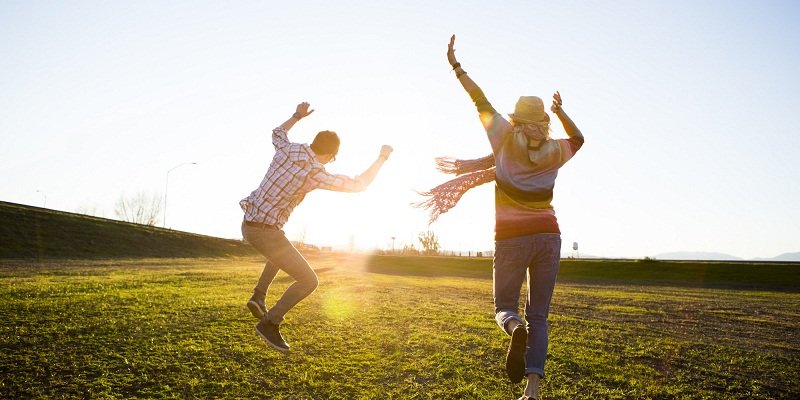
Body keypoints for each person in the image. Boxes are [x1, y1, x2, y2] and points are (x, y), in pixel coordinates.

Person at [418, 36, 584, 399]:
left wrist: (455, 66)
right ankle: (532, 390)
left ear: (515, 118)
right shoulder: (556, 149)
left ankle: (513, 330)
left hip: (510, 237)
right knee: (539, 315)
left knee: (505, 307)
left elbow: (478, 98)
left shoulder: (504, 137)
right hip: (548, 235)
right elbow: (579, 138)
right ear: (542, 120)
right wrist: (559, 112)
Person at [240, 102, 393, 352]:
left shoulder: (288, 149)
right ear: (330, 155)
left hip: (250, 223)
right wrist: (382, 158)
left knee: (281, 251)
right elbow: (358, 185)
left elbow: (277, 133)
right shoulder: (315, 171)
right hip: (265, 231)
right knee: (309, 281)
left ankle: (259, 295)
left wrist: (297, 116)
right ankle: (270, 323)